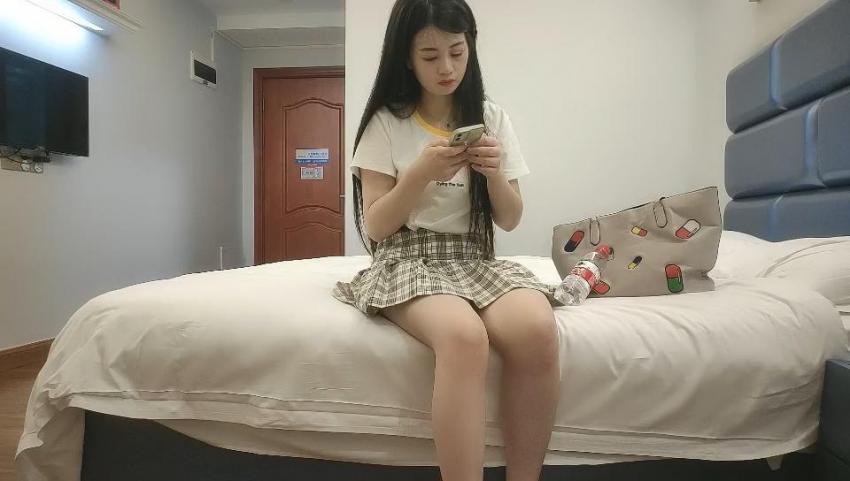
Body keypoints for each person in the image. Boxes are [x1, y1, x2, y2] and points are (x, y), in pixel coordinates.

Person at [333, 1, 562, 480]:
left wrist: (493, 174)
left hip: (472, 257)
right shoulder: (386, 122)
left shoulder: (491, 118)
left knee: (537, 329)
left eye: (457, 52)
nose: (447, 67)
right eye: (430, 55)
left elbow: (511, 218)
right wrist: (419, 173)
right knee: (464, 337)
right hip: (406, 257)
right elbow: (376, 226)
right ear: (406, 57)